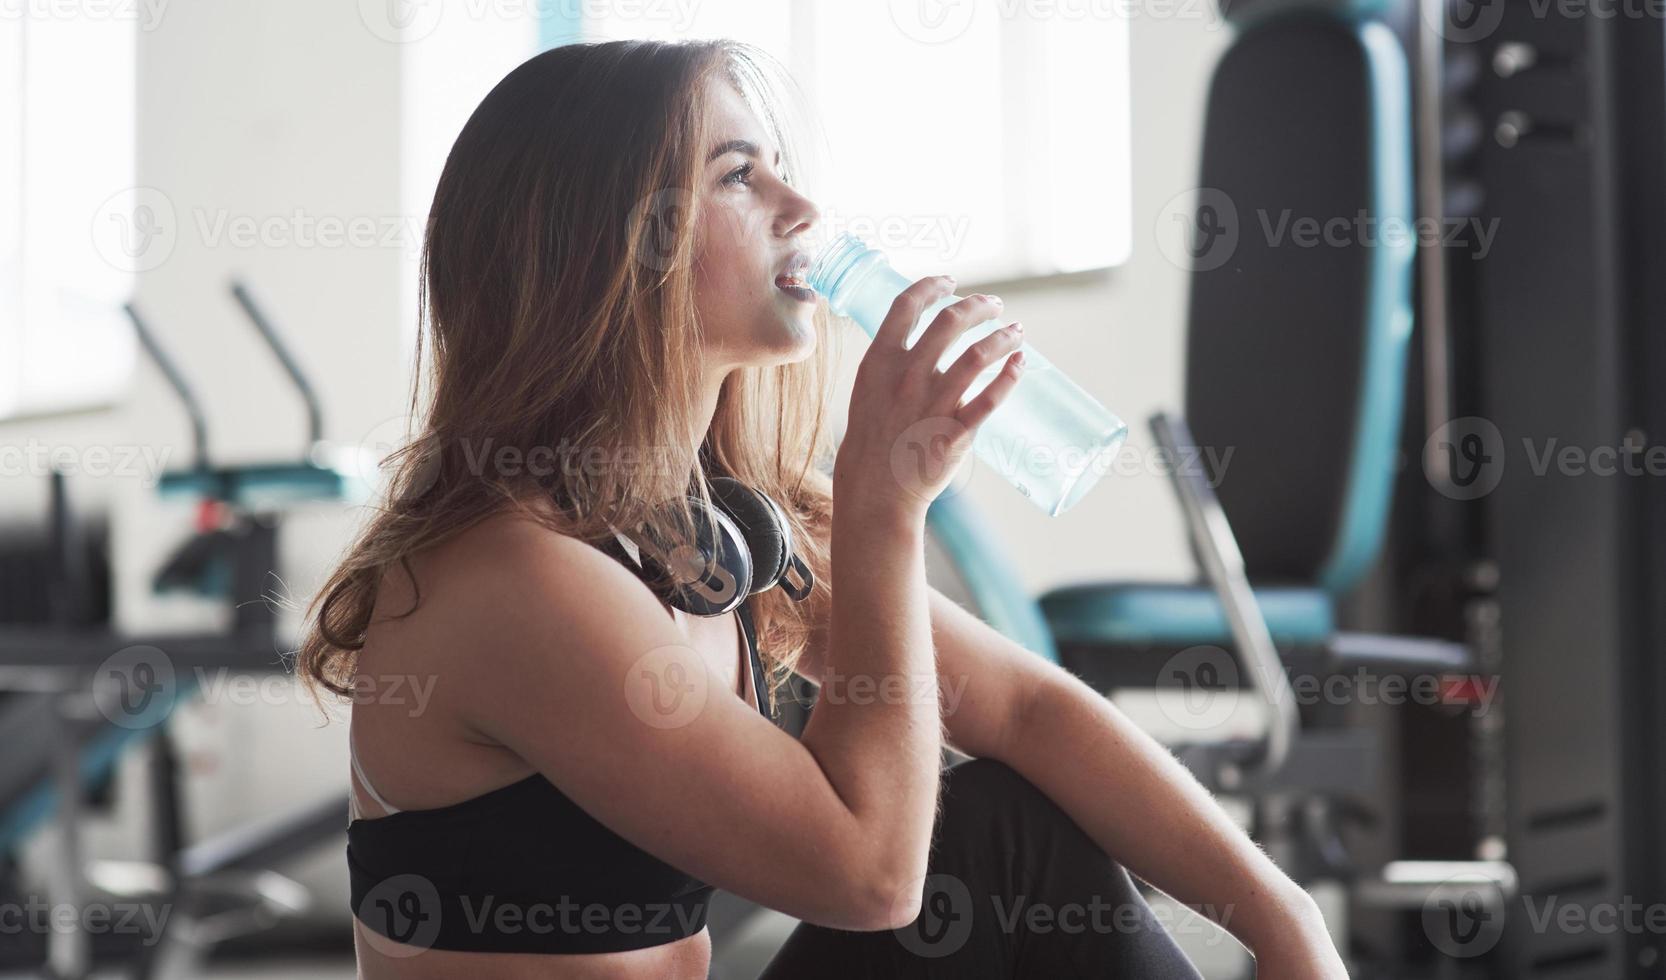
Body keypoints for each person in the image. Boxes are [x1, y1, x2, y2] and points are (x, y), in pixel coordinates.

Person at [296, 38, 1349, 979]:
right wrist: (886, 509)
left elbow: (1029, 712)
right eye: (738, 177)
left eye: (780, 172)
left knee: (1001, 831)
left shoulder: (721, 535)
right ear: (610, 245)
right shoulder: (518, 576)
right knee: (963, 851)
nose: (801, 215)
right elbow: (869, 876)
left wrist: (1281, 914)